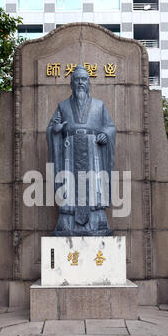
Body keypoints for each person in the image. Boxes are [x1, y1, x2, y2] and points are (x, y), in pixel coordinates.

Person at [47, 65, 116, 236]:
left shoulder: (99, 106)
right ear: (71, 83)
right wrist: (56, 129)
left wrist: (105, 135)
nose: (80, 83)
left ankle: (98, 219)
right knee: (69, 186)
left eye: (84, 79)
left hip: (93, 153)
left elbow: (110, 127)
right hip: (70, 152)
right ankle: (66, 221)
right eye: (77, 79)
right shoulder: (62, 106)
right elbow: (51, 127)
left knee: (94, 185)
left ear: (89, 83)